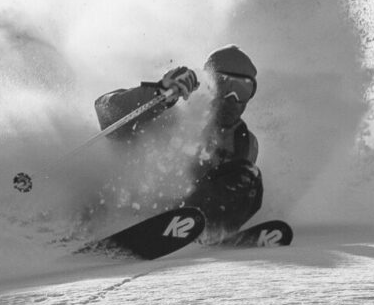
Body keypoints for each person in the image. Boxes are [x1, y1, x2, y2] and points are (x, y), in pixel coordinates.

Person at [94, 45, 263, 238]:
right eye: (223, 85)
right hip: (128, 206)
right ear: (207, 84)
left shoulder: (245, 142)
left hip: (186, 222)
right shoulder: (175, 111)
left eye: (243, 89)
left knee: (247, 178)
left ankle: (210, 233)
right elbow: (106, 115)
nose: (232, 98)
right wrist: (158, 95)